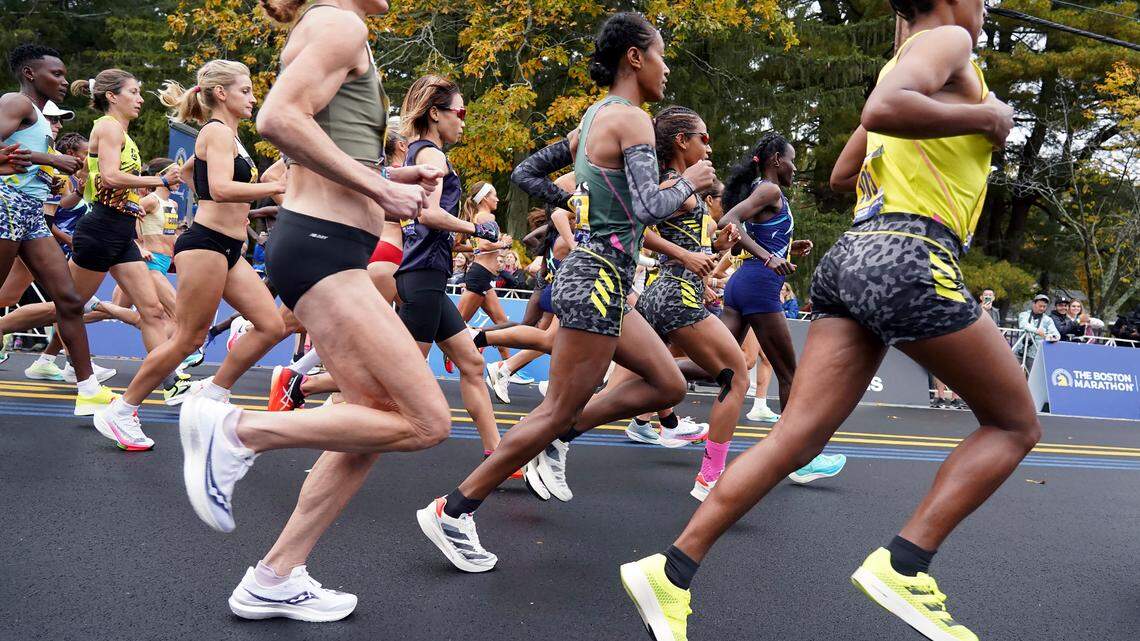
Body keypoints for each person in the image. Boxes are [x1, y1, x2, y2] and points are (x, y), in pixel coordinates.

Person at [622, 3, 1040, 640]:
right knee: (1014, 424)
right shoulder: (951, 41)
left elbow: (846, 172)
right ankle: (905, 566)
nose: (983, 9)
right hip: (912, 252)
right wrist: (987, 116)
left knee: (797, 435)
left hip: (852, 256)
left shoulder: (908, 59)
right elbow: (884, 110)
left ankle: (670, 572)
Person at [176, 0, 449, 622]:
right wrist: (379, 187)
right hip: (325, 248)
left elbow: (320, 141)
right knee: (427, 422)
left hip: (325, 243)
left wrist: (391, 174)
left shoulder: (330, 27)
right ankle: (237, 432)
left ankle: (274, 576)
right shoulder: (339, 21)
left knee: (371, 422)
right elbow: (278, 117)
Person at [417, 11, 717, 570]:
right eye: (660, 55)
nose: (666, 67)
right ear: (634, 57)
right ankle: (453, 510)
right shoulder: (630, 119)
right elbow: (650, 206)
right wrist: (687, 182)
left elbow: (525, 172)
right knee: (556, 409)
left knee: (668, 383)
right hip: (597, 279)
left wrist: (578, 204)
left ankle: (557, 439)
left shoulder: (593, 118)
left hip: (604, 278)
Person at [95, 60, 289, 449]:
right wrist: (278, 188)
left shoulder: (229, 136)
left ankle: (212, 392)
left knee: (271, 326)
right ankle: (122, 410)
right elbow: (220, 188)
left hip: (228, 247)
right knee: (187, 338)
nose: (253, 98)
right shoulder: (217, 132)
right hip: (205, 244)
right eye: (245, 90)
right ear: (221, 93)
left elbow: (190, 175)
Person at [717, 133, 846, 482]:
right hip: (759, 286)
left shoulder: (764, 191)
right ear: (776, 160)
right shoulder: (770, 190)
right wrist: (769, 257)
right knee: (790, 375)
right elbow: (728, 221)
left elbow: (753, 236)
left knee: (716, 365)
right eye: (792, 160)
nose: (795, 168)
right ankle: (798, 461)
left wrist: (787, 250)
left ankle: (654, 375)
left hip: (743, 283)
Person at [0, 43, 116, 415]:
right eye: (57, 74)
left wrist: (45, 174)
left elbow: (18, 157)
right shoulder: (16, 102)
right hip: (6, 204)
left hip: (31, 212)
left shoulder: (36, 115)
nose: (64, 81)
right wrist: (47, 158)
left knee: (68, 300)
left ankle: (88, 389)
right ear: (30, 73)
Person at [393, 74, 504, 456]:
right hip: (422, 276)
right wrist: (477, 228)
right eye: (461, 112)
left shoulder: (417, 152)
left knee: (472, 363)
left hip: (427, 276)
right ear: (436, 113)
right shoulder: (431, 155)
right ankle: (303, 385)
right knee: (398, 379)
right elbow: (428, 214)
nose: (463, 121)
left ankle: (497, 453)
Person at [454, 180, 515, 365]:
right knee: (455, 326)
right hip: (479, 276)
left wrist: (479, 248)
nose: (497, 199)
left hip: (484, 277)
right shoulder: (485, 217)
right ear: (485, 198)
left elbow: (462, 246)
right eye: (494, 195)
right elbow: (484, 245)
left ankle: (507, 368)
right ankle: (451, 352)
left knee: (502, 323)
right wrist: (503, 243)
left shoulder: (477, 218)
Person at [137, 157, 181, 320]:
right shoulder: (150, 200)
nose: (179, 179)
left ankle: (83, 310)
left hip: (165, 263)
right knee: (178, 313)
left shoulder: (173, 204)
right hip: (150, 263)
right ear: (159, 176)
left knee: (120, 309)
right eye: (175, 174)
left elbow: (170, 234)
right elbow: (124, 224)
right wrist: (139, 248)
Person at [1015, 294, 1059, 372]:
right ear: (1033, 304)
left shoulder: (1048, 320)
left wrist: (1046, 336)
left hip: (1034, 354)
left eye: (1044, 306)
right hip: (1019, 351)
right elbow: (1023, 325)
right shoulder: (1024, 314)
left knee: (1031, 376)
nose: (1042, 308)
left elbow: (1056, 336)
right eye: (1040, 306)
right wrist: (1037, 331)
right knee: (1014, 375)